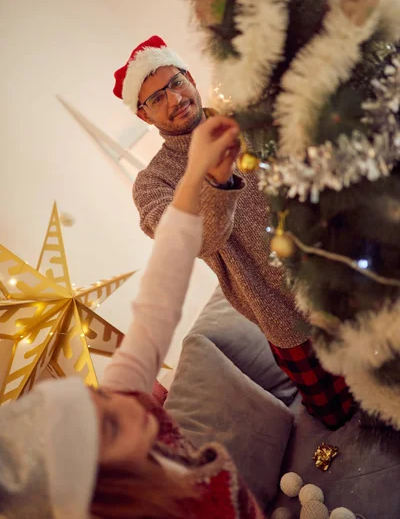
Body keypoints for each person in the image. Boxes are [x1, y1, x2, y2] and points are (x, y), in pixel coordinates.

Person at [0, 116, 283, 519]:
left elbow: (159, 297)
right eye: (112, 428)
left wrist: (195, 176)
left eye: (96, 395)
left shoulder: (123, 398)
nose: (132, 405)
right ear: (103, 494)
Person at [113, 35, 353, 429]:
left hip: (340, 272)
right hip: (283, 313)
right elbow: (191, 241)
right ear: (144, 116)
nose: (173, 99)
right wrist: (214, 180)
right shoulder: (152, 182)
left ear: (189, 77)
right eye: (155, 98)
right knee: (339, 417)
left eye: (175, 83)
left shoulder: (248, 116)